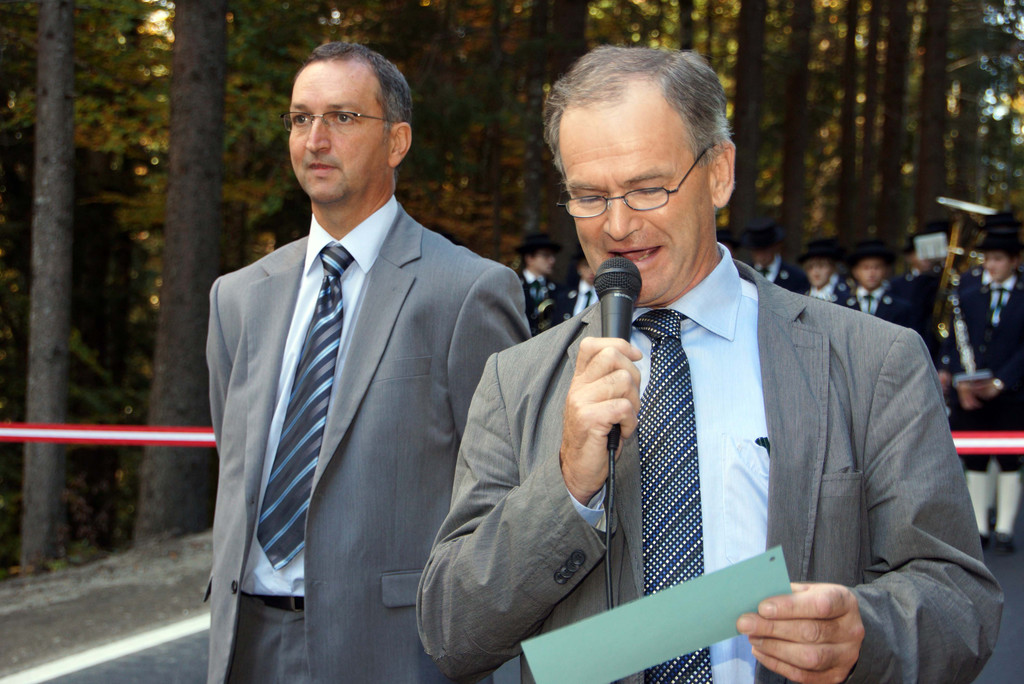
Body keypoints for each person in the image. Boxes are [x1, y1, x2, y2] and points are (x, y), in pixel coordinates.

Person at [417, 45, 1000, 684]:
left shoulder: (871, 360)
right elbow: (453, 633)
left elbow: (960, 603)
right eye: (589, 197)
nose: (617, 225)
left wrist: (866, 631)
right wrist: (566, 488)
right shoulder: (516, 381)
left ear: (719, 172)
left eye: (647, 188)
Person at [205, 42, 528, 683]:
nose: (316, 139)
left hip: (395, 652)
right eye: (301, 118)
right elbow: (234, 454)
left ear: (397, 141)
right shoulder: (237, 297)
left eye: (343, 117)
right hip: (246, 645)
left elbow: (508, 498)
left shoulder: (466, 291)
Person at [939, 224, 1024, 554]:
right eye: (987, 258)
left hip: (1012, 394)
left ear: (1014, 261)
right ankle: (979, 528)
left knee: (1009, 458)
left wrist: (1001, 382)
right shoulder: (969, 296)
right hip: (971, 393)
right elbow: (954, 342)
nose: (991, 265)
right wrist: (962, 382)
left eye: (999, 259)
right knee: (974, 458)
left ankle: (1004, 528)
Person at [889, 220, 947, 361]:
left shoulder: (943, 281)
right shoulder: (897, 284)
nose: (926, 257)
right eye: (919, 251)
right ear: (909, 256)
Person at [841, 239, 913, 327]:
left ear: (886, 271)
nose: (871, 273)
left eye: (877, 267)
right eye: (866, 268)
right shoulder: (842, 305)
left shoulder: (900, 308)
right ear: (855, 272)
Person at [741, 217, 809, 294]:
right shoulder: (742, 276)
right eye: (757, 250)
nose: (762, 255)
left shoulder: (796, 277)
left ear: (775, 247)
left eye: (766, 249)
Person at [516, 232, 564, 335]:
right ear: (529, 258)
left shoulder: (558, 290)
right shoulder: (514, 286)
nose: (552, 260)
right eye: (546, 255)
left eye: (552, 255)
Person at [797, 237, 849, 303]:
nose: (815, 272)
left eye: (821, 266)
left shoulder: (846, 296)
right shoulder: (800, 295)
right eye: (810, 267)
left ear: (832, 268)